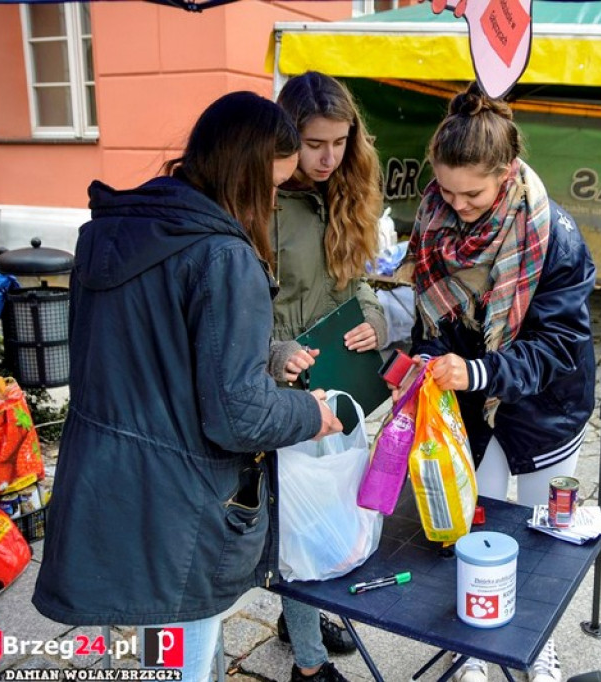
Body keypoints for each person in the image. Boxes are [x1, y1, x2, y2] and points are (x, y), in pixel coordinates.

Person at [32, 91, 342, 682]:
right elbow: (239, 417)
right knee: (182, 662)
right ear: (244, 173)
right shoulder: (223, 255)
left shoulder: (108, 234)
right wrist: (310, 413)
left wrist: (267, 355)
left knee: (147, 655)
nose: (273, 201)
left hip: (103, 483)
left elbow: (148, 353)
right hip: (178, 504)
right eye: (271, 186)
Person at [399, 83, 596, 682]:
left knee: (544, 539)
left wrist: (479, 370)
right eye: (446, 190)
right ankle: (474, 644)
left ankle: (540, 645)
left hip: (545, 410)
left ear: (507, 173)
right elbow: (433, 315)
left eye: (472, 193)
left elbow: (558, 347)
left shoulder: (554, 236)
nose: (457, 205)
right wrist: (428, 360)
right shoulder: (435, 220)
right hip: (469, 408)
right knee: (470, 522)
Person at [266, 71, 387, 682]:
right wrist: (274, 351)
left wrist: (371, 319)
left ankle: (301, 617)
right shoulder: (261, 200)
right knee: (300, 519)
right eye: (315, 143)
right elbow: (233, 307)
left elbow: (355, 281)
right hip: (287, 384)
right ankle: (308, 668)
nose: (328, 157)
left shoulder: (346, 189)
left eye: (340, 142)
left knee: (331, 503)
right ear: (288, 137)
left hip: (340, 372)